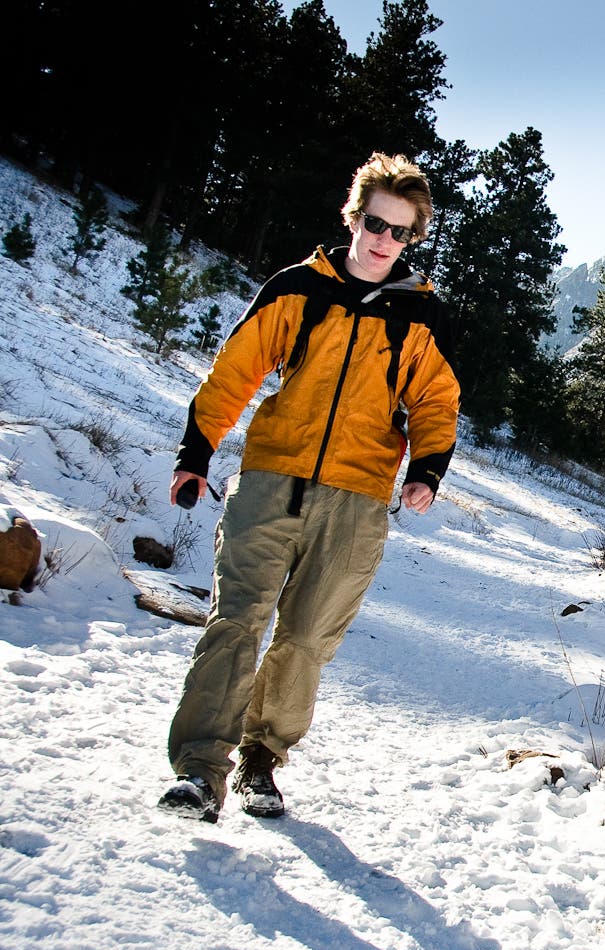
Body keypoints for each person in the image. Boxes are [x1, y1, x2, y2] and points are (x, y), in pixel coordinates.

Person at [157, 152, 460, 823]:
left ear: (413, 239)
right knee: (237, 620)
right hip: (272, 478)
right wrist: (196, 451)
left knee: (308, 637)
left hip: (356, 499)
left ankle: (261, 761)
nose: (385, 240)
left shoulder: (419, 315)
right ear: (353, 218)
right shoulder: (299, 288)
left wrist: (427, 469)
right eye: (376, 223)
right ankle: (201, 771)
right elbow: (236, 369)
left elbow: (436, 400)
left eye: (401, 232)